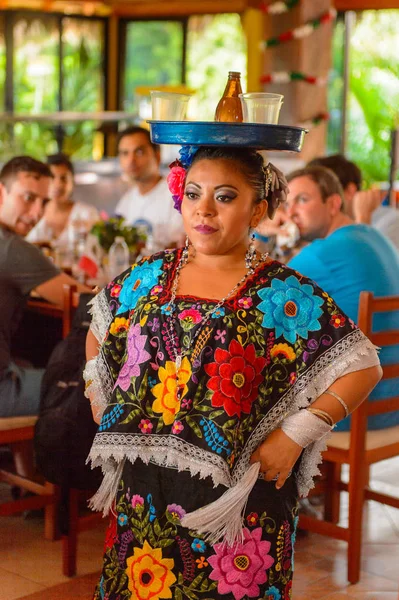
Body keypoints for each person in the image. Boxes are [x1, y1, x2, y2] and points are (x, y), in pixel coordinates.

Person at [84, 145, 381, 600]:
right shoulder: (147, 275)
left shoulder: (281, 291)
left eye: (224, 197)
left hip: (237, 500)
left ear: (258, 209)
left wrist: (294, 435)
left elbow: (361, 366)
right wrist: (98, 396)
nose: (203, 209)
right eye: (194, 194)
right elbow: (100, 327)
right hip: (144, 489)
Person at [286, 165, 399, 431]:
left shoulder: (323, 253)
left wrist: (262, 234)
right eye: (287, 203)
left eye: (302, 200)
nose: (291, 213)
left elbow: (258, 295)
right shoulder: (375, 236)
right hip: (392, 405)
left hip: (353, 406)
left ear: (334, 203)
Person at [0, 156, 91, 477]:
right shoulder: (12, 248)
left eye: (43, 201)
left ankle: (27, 479)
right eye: (28, 198)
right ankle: (70, 502)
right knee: (79, 386)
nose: (37, 212)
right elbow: (83, 299)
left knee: (25, 360)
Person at [308, 154, 399, 250]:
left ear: (349, 191)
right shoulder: (333, 228)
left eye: (324, 193)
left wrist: (363, 218)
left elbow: (364, 261)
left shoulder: (392, 222)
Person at [115, 126, 184, 248]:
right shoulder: (126, 201)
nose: (131, 160)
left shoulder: (176, 196)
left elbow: (181, 246)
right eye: (125, 153)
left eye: (139, 152)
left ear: (157, 156)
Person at [26, 153, 98, 247]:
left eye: (64, 178)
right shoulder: (32, 213)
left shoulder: (87, 213)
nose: (58, 185)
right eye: (52, 177)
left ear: (72, 181)